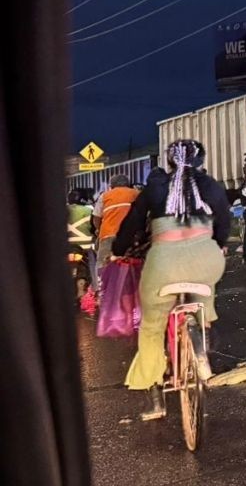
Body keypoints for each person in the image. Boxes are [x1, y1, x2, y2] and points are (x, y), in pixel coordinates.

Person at [112, 140, 229, 420]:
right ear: (200, 160)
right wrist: (217, 243)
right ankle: (203, 335)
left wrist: (118, 251)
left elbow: (131, 226)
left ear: (170, 160)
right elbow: (223, 225)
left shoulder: (154, 188)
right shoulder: (211, 186)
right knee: (205, 301)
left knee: (151, 328)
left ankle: (156, 398)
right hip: (207, 261)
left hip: (164, 265)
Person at [91, 175, 139, 290]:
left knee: (102, 262)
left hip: (108, 233)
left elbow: (96, 217)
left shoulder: (105, 196)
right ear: (128, 184)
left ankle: (100, 289)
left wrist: (99, 229)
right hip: (130, 235)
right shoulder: (136, 193)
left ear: (111, 186)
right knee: (134, 260)